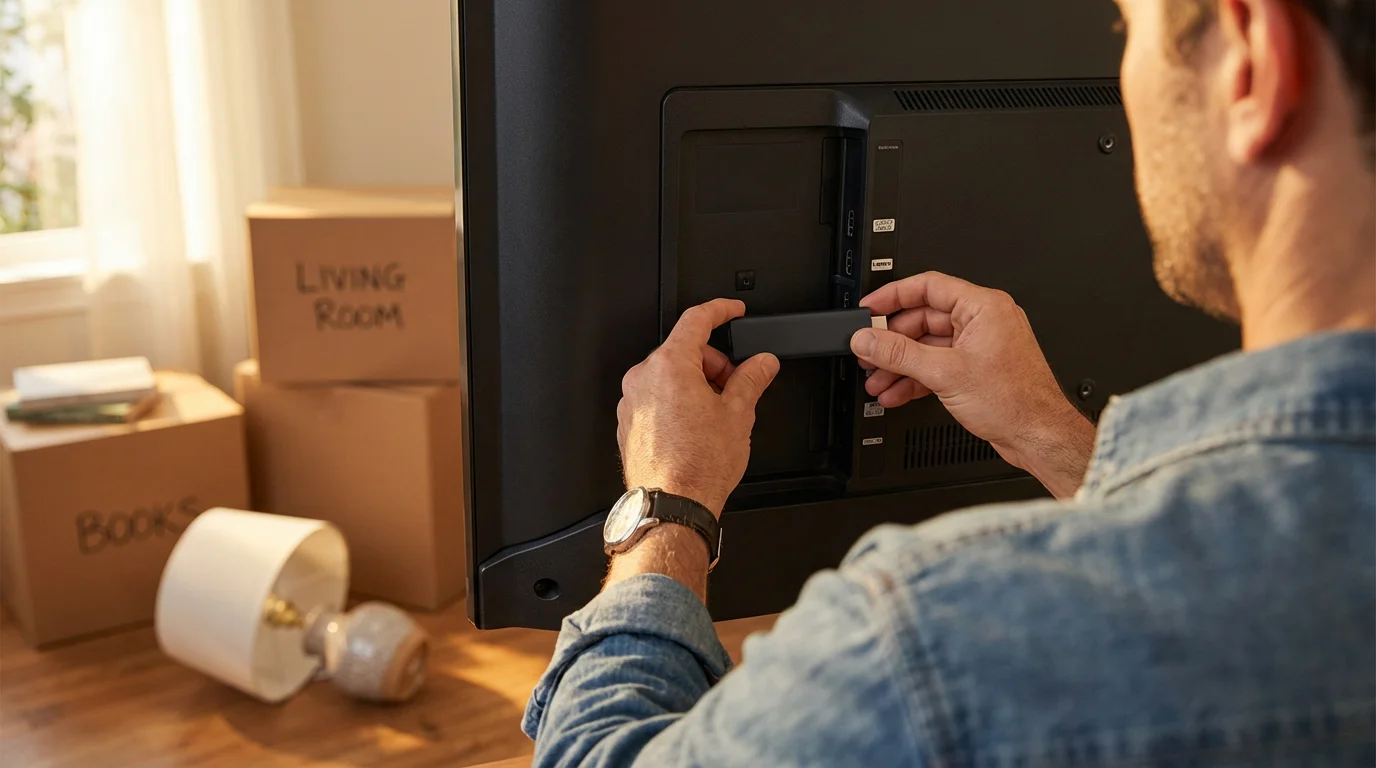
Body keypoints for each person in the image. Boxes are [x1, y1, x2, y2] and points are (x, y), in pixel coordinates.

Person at [523, 0, 1375, 764]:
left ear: (1254, 61)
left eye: (1127, 26)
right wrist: (1050, 432)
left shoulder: (932, 643)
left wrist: (665, 511)